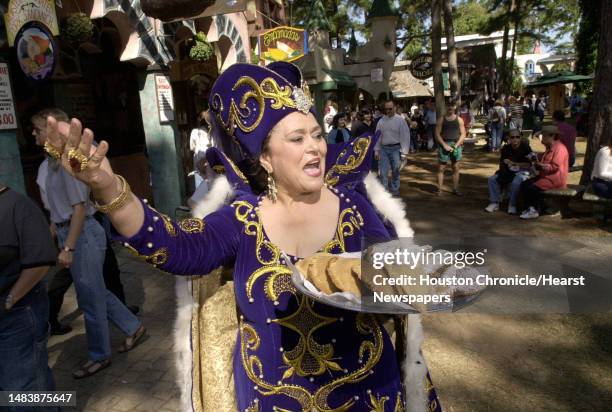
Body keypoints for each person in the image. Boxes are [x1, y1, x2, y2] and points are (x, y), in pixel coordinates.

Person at [42, 61, 442, 411]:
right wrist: (109, 188)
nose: (316, 148)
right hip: (271, 401)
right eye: (297, 138)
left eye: (317, 134)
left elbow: (395, 273)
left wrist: (419, 278)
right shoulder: (242, 219)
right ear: (265, 158)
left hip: (366, 394)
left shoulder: (353, 208)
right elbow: (175, 247)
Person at [31, 109, 146, 378]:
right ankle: (133, 327)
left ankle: (99, 355)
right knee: (96, 292)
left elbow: (79, 209)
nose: (34, 135)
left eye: (37, 130)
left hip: (83, 235)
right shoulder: (45, 167)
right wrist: (53, 241)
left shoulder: (69, 167)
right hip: (67, 233)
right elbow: (54, 211)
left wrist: (68, 248)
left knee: (90, 299)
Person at [0, 183, 58, 410]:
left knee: (26, 390)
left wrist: (9, 301)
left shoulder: (18, 206)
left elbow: (40, 263)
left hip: (17, 317)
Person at [519, 125, 569, 219]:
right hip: (545, 176)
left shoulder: (559, 148)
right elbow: (544, 161)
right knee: (525, 184)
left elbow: (554, 167)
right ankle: (529, 208)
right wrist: (536, 160)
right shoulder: (549, 147)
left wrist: (540, 165)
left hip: (554, 179)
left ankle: (534, 210)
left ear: (552, 136)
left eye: (544, 136)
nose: (542, 138)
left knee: (532, 188)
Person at [485, 129, 534, 214]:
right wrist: (506, 165)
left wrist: (515, 163)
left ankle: (512, 205)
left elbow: (529, 165)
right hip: (507, 171)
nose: (515, 139)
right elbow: (502, 162)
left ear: (520, 137)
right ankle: (494, 202)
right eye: (512, 137)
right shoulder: (506, 148)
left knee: (516, 181)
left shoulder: (526, 148)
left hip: (522, 172)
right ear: (509, 139)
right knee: (492, 179)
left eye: (517, 137)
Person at [375, 100, 411, 197]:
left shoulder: (400, 120)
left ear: (395, 108)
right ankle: (385, 192)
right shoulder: (381, 121)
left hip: (396, 148)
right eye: (386, 109)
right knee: (383, 172)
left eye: (390, 109)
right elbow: (377, 137)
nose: (388, 111)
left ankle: (395, 190)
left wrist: (404, 152)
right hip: (383, 149)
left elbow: (405, 136)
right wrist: (376, 150)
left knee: (396, 171)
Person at [435, 101, 466, 196]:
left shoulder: (459, 120)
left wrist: (456, 145)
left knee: (455, 167)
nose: (450, 107)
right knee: (441, 168)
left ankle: (455, 189)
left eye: (452, 105)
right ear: (446, 107)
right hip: (444, 144)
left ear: (455, 107)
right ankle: (439, 189)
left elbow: (463, 133)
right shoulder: (441, 119)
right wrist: (444, 145)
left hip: (456, 145)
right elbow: (437, 133)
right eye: (448, 105)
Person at [190, 110, 212, 189]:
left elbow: (192, 147)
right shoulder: (212, 132)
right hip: (210, 158)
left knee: (200, 184)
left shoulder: (194, 132)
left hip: (199, 159)